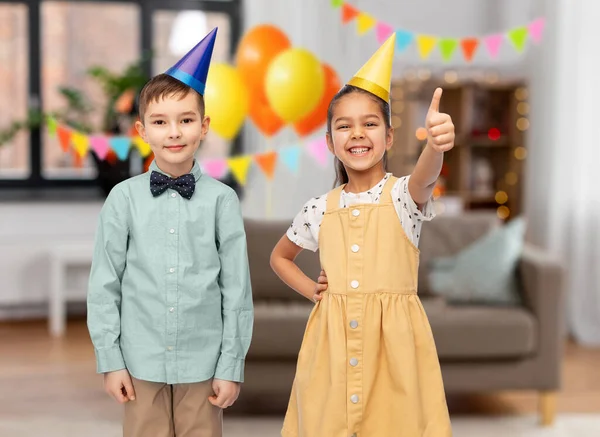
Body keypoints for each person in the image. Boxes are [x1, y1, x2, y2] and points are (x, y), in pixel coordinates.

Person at [270, 33, 453, 436]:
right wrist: (313, 291)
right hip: (331, 349)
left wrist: (436, 146)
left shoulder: (405, 196)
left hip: (395, 350)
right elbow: (279, 257)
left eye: (369, 124)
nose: (357, 133)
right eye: (344, 126)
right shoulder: (319, 208)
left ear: (388, 137)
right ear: (330, 143)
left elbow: (426, 176)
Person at [87, 27, 253, 437]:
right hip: (140, 362)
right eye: (160, 122)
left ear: (204, 126)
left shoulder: (222, 201)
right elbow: (104, 285)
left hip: (204, 362)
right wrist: (111, 360)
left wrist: (230, 366)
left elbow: (236, 291)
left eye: (185, 120)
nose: (174, 132)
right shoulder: (122, 200)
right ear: (142, 132)